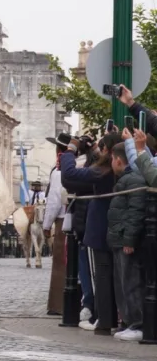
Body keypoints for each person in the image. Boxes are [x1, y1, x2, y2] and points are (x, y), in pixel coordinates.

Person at [61, 132, 119, 332]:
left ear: (109, 152)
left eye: (102, 148)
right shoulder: (115, 167)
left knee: (99, 276)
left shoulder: (105, 170)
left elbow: (69, 175)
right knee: (111, 276)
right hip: (112, 228)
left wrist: (70, 150)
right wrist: (94, 149)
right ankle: (108, 318)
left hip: (99, 229)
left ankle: (102, 319)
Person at [108, 130, 147, 341]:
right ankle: (129, 321)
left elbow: (135, 211)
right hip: (119, 237)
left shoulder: (133, 180)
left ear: (118, 160)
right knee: (123, 282)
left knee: (130, 282)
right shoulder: (127, 178)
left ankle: (137, 323)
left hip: (125, 239)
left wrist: (129, 239)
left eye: (113, 159)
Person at [42, 135, 69, 316]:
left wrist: (46, 224)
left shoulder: (58, 171)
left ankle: (57, 305)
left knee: (60, 263)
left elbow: (54, 201)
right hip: (73, 218)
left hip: (61, 221)